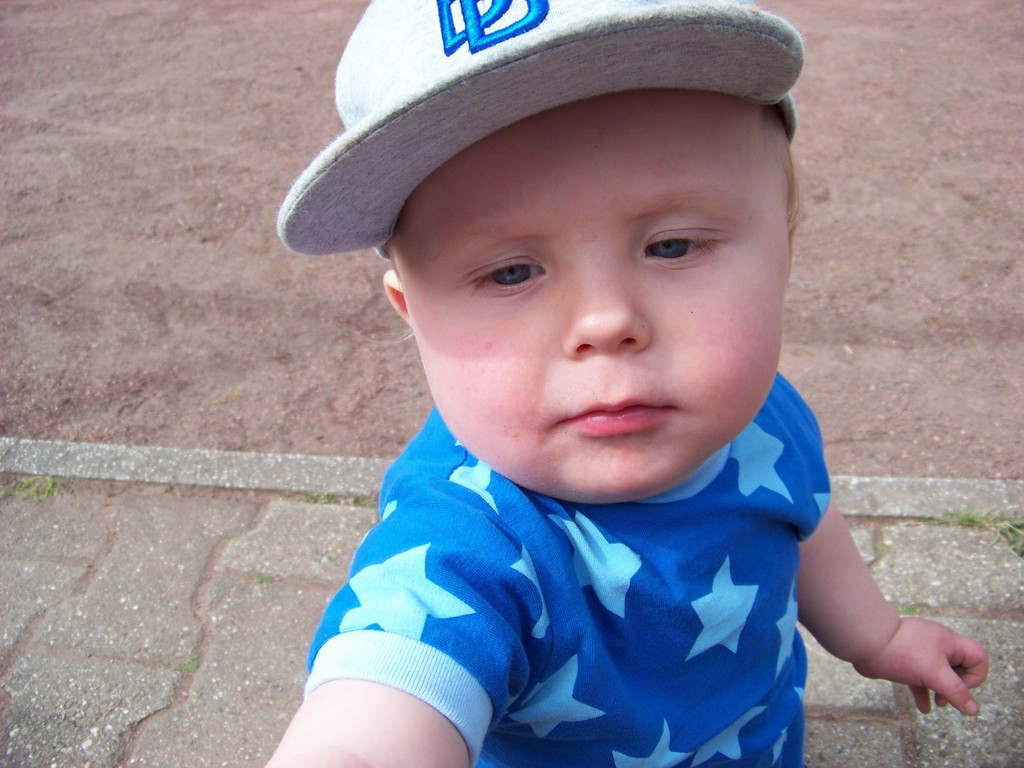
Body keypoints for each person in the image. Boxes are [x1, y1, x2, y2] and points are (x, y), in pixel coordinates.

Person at [267, 1, 989, 766]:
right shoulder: (470, 546)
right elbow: (372, 714)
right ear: (413, 314)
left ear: (785, 248)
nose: (606, 321)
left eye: (672, 246)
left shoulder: (756, 414)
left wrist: (877, 636)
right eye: (511, 272)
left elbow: (802, 521)